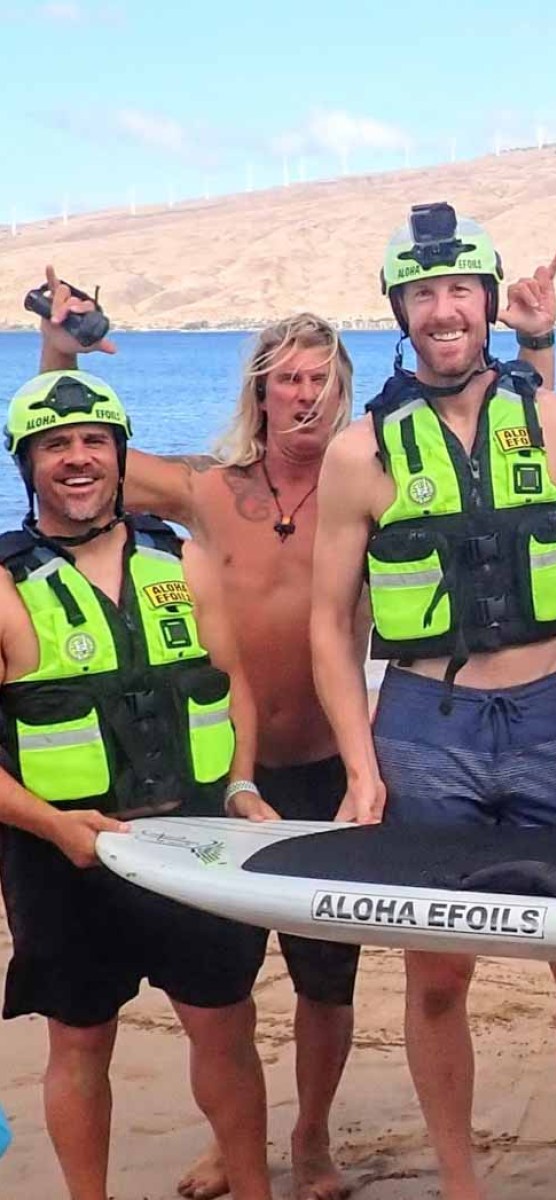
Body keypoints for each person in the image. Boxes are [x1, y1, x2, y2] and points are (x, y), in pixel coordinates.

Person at [35, 259, 556, 1200]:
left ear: (343, 389)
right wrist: (59, 343)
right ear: (260, 392)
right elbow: (73, 451)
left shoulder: (379, 475)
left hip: (329, 764)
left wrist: (534, 347)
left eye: (321, 378)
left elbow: (517, 481)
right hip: (221, 778)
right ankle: (227, 1144)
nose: (304, 395)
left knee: (326, 984)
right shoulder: (205, 490)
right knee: (222, 992)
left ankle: (312, 1137)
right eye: (286, 378)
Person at [310, 202, 556, 1200]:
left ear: (487, 306)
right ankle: (461, 1183)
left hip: (551, 719)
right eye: (422, 295)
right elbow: (331, 623)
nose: (442, 310)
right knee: (438, 972)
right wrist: (362, 767)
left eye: (459, 291)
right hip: (424, 730)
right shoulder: (359, 455)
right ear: (400, 314)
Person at [0, 369, 275, 1200]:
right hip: (64, 859)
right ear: (28, 464)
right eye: (56, 446)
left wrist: (240, 786)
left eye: (94, 443)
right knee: (79, 1042)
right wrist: (52, 826)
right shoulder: (7, 587)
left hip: (191, 841)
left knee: (225, 1027)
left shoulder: (180, 562)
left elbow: (231, 683)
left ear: (120, 457)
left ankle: (256, 1189)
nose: (78, 460)